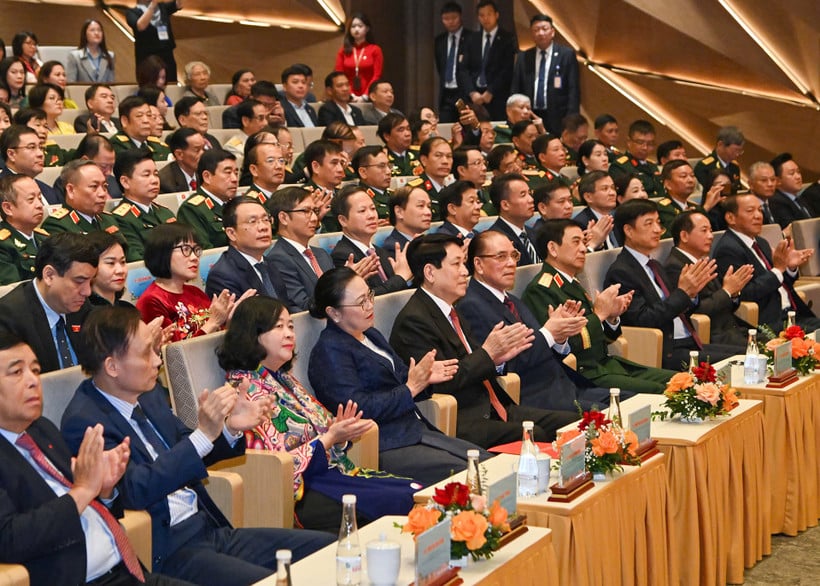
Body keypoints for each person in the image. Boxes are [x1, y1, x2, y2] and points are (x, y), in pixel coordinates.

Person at [61, 306, 335, 584]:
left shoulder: (149, 394)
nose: (158, 361)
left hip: (207, 528)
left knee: (329, 550)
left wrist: (228, 428)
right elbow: (134, 489)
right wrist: (204, 433)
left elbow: (190, 448)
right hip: (168, 548)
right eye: (147, 353)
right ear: (112, 366)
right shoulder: (85, 422)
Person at [0, 332, 196, 585]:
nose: (32, 381)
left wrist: (105, 490)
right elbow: (9, 540)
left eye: (35, 370)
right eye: (17, 373)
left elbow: (96, 507)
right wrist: (82, 491)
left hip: (122, 568)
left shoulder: (42, 430)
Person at [219, 295, 418, 531]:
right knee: (404, 500)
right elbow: (274, 465)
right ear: (252, 334)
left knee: (415, 490)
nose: (289, 334)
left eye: (290, 326)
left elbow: (322, 432)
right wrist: (330, 437)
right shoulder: (243, 392)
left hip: (329, 473)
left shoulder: (285, 379)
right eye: (278, 327)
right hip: (300, 492)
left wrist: (340, 431)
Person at [390, 234, 577, 447]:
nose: (465, 272)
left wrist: (497, 360)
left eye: (463, 262)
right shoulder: (414, 320)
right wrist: (488, 353)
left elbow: (478, 363)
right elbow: (447, 381)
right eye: (457, 264)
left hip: (495, 406)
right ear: (430, 272)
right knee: (536, 434)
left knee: (572, 423)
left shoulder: (451, 310)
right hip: (463, 417)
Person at [309, 267, 491, 484]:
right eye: (361, 302)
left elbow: (403, 376)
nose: (370, 306)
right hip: (381, 443)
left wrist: (424, 378)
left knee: (487, 463)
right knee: (468, 475)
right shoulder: (330, 351)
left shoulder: (370, 334)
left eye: (370, 295)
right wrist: (411, 388)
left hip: (413, 429)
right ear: (334, 312)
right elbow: (359, 408)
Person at [522, 219, 677, 393]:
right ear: (552, 248)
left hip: (605, 365)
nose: (583, 249)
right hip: (582, 373)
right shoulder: (541, 290)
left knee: (678, 379)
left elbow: (603, 340)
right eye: (575, 242)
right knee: (661, 390)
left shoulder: (572, 283)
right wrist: (599, 315)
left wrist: (611, 318)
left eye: (583, 242)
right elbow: (564, 346)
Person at [604, 199, 737, 370]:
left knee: (745, 355)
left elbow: (678, 305)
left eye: (658, 223)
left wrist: (692, 295)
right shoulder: (622, 272)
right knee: (737, 362)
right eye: (648, 224)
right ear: (629, 230)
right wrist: (683, 293)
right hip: (665, 349)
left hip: (689, 340)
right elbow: (644, 319)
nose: (657, 229)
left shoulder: (655, 265)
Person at [713, 194, 820, 332]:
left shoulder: (760, 242)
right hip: (768, 322)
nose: (758, 215)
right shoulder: (728, 249)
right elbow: (745, 293)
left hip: (793, 314)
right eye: (750, 211)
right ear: (730, 218)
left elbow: (779, 281)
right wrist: (778, 270)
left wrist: (789, 268)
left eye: (760, 210)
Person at [0, 233, 96, 373]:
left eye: (91, 282)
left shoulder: (81, 307)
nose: (87, 292)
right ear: (49, 275)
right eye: (79, 281)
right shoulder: (8, 317)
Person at [136, 223, 246, 342]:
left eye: (196, 250)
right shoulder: (152, 301)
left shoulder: (195, 292)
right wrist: (213, 322)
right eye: (186, 249)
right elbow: (175, 354)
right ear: (162, 252)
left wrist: (228, 321)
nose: (194, 257)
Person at [664, 211, 753, 347]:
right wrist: (727, 291)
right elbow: (695, 311)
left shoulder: (702, 261)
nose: (711, 236)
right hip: (712, 337)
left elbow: (725, 303)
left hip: (732, 329)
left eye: (711, 231)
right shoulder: (676, 267)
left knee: (782, 342)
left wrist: (734, 294)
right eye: (704, 231)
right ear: (684, 236)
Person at [330, 184, 412, 296]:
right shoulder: (344, 256)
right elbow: (368, 297)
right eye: (362, 211)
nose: (371, 215)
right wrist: (400, 278)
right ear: (343, 220)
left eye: (373, 209)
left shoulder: (380, 252)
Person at [265, 187, 336, 312]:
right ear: (283, 218)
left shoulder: (321, 254)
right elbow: (304, 306)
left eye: (315, 211)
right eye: (306, 211)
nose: (314, 218)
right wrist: (340, 286)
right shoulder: (278, 259)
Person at [204, 196, 286, 300]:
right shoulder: (222, 276)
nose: (263, 227)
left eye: (266, 219)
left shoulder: (270, 264)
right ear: (232, 233)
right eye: (252, 221)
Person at [511, 14, 579, 136]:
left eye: (544, 29)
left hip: (558, 115)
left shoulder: (566, 55)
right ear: (532, 33)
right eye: (536, 30)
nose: (541, 33)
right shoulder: (524, 57)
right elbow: (516, 88)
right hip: (530, 114)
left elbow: (573, 89)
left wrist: (571, 119)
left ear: (552, 32)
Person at [111, 149, 177, 261]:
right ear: (125, 182)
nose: (155, 180)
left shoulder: (165, 212)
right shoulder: (120, 218)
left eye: (156, 174)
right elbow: (137, 258)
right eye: (146, 175)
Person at [464, 0, 517, 122]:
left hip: (497, 96)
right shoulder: (472, 39)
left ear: (496, 15)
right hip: (474, 96)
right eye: (482, 15)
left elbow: (507, 70)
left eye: (489, 14)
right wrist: (472, 92)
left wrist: (491, 91)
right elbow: (463, 69)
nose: (486, 18)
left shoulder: (507, 38)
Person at [42, 160, 122, 238]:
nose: (102, 194)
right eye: (94, 186)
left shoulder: (109, 219)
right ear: (71, 190)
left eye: (104, 186)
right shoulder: (57, 225)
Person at [176, 149, 238, 249]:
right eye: (228, 173)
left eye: (236, 173)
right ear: (207, 177)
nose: (234, 179)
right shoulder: (191, 209)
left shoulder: (238, 205)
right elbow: (204, 252)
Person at [0, 174, 48, 284]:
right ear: (8, 208)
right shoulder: (3, 245)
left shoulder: (45, 238)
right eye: (31, 199)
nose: (39, 205)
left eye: (40, 198)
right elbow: (12, 291)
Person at [488, 173, 541, 266]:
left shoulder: (534, 233)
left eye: (530, 193)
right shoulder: (495, 241)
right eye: (523, 195)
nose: (531, 199)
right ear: (505, 205)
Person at [435, 2, 475, 123]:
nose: (450, 22)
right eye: (446, 19)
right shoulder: (439, 40)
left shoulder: (471, 37)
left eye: (453, 18)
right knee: (446, 125)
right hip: (446, 92)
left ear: (460, 17)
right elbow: (439, 66)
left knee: (466, 126)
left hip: (464, 91)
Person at [0, 125, 60, 205]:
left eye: (41, 147)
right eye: (32, 147)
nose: (40, 154)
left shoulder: (47, 190)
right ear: (11, 154)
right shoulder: (2, 188)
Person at [127, 0, 181, 83]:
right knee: (150, 84)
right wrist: (153, 4)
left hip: (167, 54)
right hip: (147, 57)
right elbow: (141, 26)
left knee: (171, 84)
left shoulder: (162, 7)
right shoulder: (132, 12)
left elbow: (178, 4)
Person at [336, 12, 383, 100]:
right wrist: (350, 94)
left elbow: (377, 75)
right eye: (353, 27)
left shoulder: (375, 50)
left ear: (367, 28)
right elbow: (339, 74)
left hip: (369, 95)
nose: (356, 29)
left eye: (360, 26)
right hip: (347, 95)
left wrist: (365, 95)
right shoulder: (343, 50)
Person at [609, 119, 661, 197]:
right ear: (629, 142)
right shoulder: (619, 166)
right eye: (640, 142)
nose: (645, 147)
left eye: (650, 143)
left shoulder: (652, 166)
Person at [111, 96, 168, 163]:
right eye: (139, 116)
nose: (146, 120)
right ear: (125, 121)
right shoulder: (116, 144)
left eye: (149, 115)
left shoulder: (155, 143)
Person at [406, 136, 452, 216]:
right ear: (424, 160)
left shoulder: (452, 192)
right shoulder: (414, 190)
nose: (445, 161)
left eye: (449, 156)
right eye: (438, 155)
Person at [86, 231, 133, 307]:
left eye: (123, 262)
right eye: (111, 263)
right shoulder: (83, 314)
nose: (120, 270)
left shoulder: (127, 308)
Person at [573, 171, 619, 249]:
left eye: (613, 188)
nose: (612, 193)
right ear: (588, 197)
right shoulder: (580, 224)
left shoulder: (619, 217)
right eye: (605, 189)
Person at [383, 185, 433, 256]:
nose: (428, 212)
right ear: (399, 212)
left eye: (429, 206)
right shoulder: (393, 249)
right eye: (420, 206)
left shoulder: (430, 243)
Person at [694, 126, 744, 194]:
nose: (737, 154)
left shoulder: (734, 166)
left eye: (740, 151)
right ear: (720, 144)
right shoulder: (704, 167)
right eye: (734, 150)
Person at [769, 152, 812, 229]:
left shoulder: (800, 198)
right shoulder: (777, 202)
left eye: (798, 172)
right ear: (778, 181)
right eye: (792, 173)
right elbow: (793, 229)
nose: (798, 176)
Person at [66, 19, 115, 83]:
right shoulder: (74, 56)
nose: (96, 33)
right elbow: (71, 84)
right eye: (92, 30)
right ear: (85, 34)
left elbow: (111, 83)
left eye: (99, 30)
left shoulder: (110, 56)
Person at [160, 127, 205, 193]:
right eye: (197, 150)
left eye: (203, 148)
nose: (203, 153)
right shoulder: (165, 182)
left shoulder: (208, 173)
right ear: (179, 154)